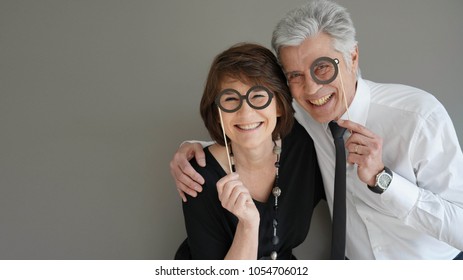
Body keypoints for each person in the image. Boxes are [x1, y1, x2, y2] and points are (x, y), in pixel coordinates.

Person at [170, 0, 463, 259]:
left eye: (322, 67)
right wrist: (194, 147)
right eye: (295, 75)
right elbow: (253, 121)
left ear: (353, 57)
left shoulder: (418, 116)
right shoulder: (304, 115)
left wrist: (382, 179)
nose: (311, 88)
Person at [177, 43, 324, 260]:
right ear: (217, 113)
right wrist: (247, 225)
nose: (245, 113)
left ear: (280, 106)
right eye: (230, 99)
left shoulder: (304, 147)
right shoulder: (198, 178)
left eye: (258, 96)